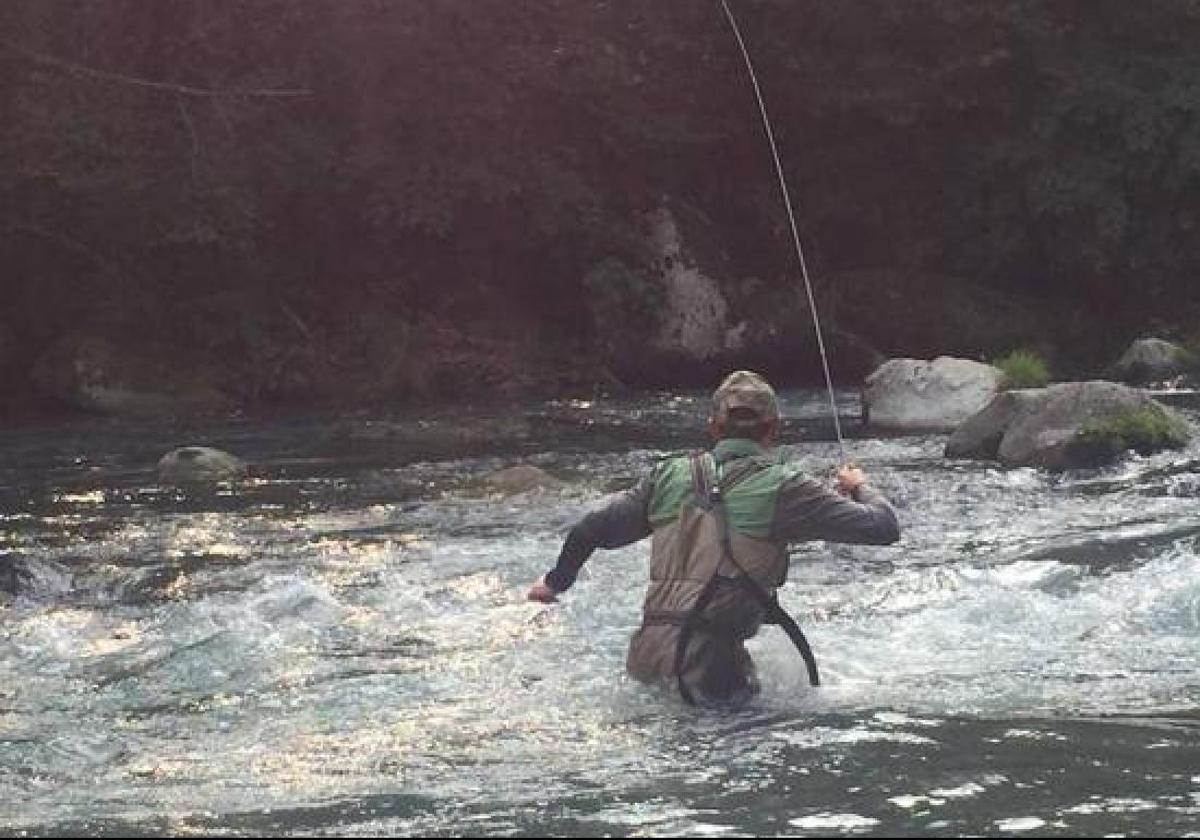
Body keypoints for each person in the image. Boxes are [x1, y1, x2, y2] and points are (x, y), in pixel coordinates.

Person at [527, 370, 900, 707]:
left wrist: (553, 583)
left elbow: (589, 531)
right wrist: (860, 486)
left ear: (714, 428)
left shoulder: (667, 476)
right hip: (710, 665)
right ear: (773, 429)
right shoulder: (785, 486)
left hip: (646, 656)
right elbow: (883, 527)